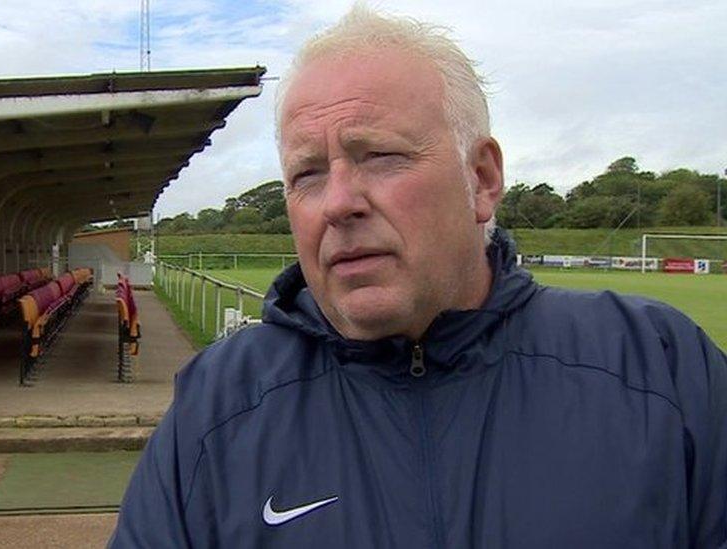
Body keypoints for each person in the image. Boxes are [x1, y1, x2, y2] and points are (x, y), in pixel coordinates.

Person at [110, 5, 727, 548]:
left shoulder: (661, 368)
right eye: (307, 174)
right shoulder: (220, 404)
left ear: (481, 179)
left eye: (379, 156)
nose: (338, 203)